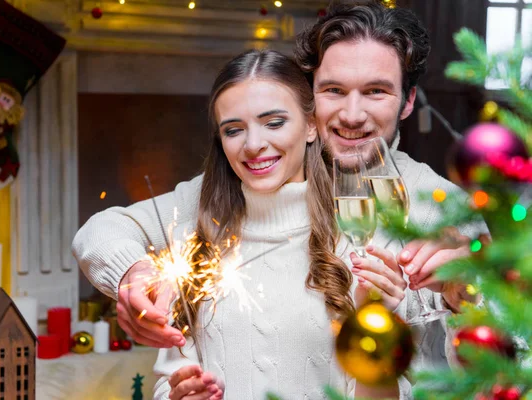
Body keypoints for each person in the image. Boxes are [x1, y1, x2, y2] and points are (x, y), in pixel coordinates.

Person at [73, 0, 479, 352]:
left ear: (407, 101)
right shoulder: (251, 182)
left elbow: (507, 343)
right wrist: (131, 274)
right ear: (307, 99)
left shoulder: (441, 207)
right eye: (333, 91)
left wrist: (469, 293)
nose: (352, 115)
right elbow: (103, 230)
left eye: (376, 92)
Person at [155, 49, 409, 400]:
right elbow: (168, 378)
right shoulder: (193, 245)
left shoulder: (357, 241)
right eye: (233, 130)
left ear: (310, 126)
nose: (254, 145)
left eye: (274, 123)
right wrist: (179, 395)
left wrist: (374, 324)